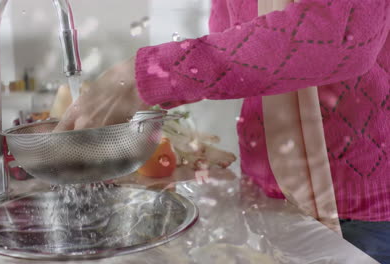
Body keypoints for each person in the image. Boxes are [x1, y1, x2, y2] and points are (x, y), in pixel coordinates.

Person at [55, 0, 389, 262]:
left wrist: (149, 77)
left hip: (364, 210)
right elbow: (238, 43)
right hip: (270, 193)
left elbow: (343, 34)